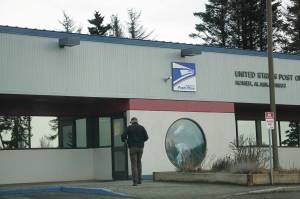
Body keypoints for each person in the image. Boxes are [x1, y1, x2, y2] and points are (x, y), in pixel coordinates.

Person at [121, 117, 148, 186]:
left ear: (132, 122)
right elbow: (146, 137)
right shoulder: (142, 128)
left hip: (132, 148)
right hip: (140, 148)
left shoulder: (129, 128)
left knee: (134, 164)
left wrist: (126, 140)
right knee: (139, 163)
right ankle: (139, 180)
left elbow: (123, 136)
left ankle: (135, 181)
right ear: (137, 121)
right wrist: (141, 142)